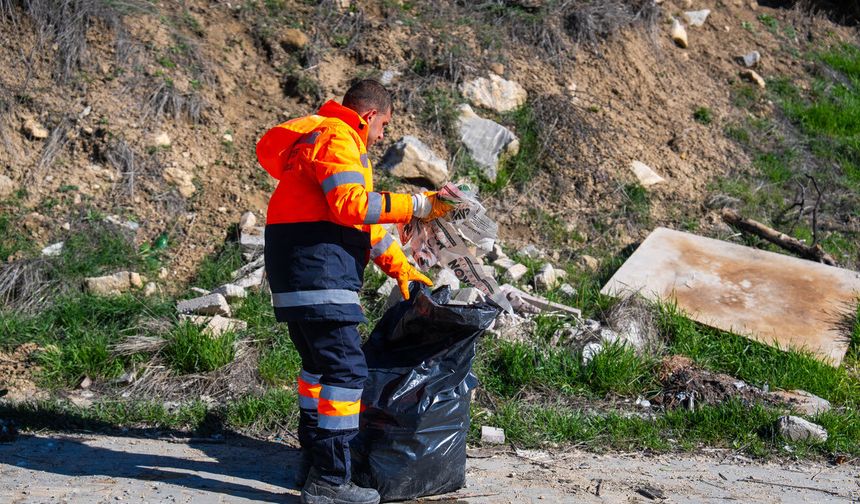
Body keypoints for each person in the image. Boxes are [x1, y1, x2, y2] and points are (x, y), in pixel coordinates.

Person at [256, 79, 454, 504]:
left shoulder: (327, 144)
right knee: (346, 375)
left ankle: (313, 464)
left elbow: (363, 224)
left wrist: (401, 268)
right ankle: (330, 481)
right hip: (319, 273)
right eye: (383, 125)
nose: (382, 136)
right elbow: (352, 206)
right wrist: (419, 205)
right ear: (368, 116)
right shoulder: (337, 137)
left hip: (302, 277)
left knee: (319, 373)